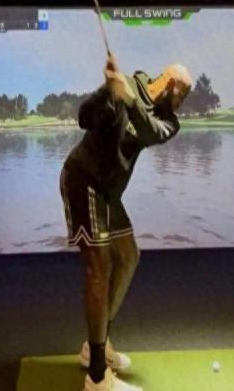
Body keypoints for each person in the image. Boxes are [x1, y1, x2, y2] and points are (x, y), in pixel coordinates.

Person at [60, 54, 192, 391]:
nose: (183, 103)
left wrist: (127, 98)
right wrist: (106, 91)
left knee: (129, 256)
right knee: (99, 268)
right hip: (83, 179)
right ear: (171, 84)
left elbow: (149, 132)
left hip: (108, 192)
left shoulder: (168, 121)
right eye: (183, 95)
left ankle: (96, 346)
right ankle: (97, 377)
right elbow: (84, 118)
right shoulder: (126, 84)